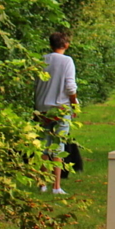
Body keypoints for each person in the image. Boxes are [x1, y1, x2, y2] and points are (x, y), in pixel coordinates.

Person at [34, 32, 79, 195]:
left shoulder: (41, 60)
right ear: (66, 45)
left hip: (42, 108)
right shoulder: (67, 61)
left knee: (44, 146)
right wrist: (74, 104)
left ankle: (42, 184)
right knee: (59, 146)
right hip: (61, 109)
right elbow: (70, 87)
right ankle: (56, 186)